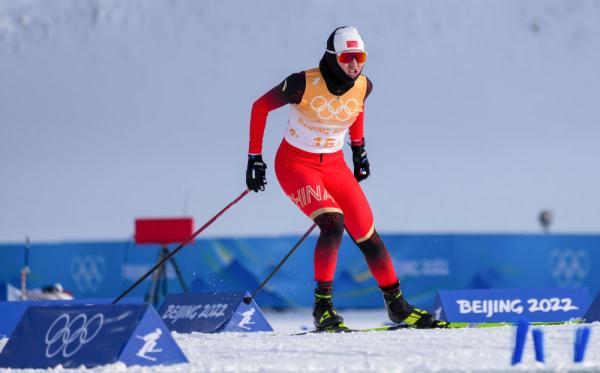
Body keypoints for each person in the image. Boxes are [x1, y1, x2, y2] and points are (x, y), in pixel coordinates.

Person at [246, 26, 447, 330]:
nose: (354, 64)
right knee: (332, 223)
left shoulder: (363, 85)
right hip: (295, 164)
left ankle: (397, 305)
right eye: (346, 57)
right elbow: (259, 107)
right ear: (332, 57)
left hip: (335, 166)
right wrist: (254, 158)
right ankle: (322, 308)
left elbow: (356, 109)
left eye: (360, 57)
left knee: (369, 237)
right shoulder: (302, 82)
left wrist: (359, 150)